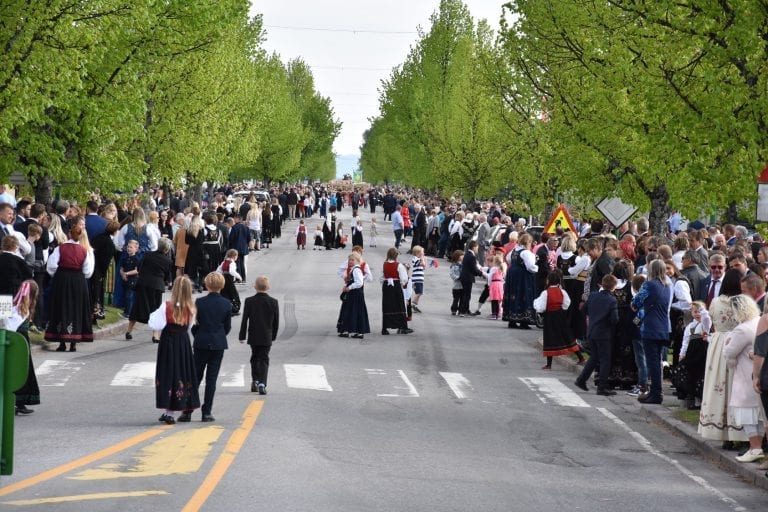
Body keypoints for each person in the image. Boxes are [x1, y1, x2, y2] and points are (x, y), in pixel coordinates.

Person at [149, 276, 200, 425]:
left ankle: (169, 411)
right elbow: (189, 327)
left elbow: (154, 324)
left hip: (168, 342)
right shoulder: (191, 308)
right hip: (183, 342)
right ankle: (181, 406)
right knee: (182, 372)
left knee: (167, 373)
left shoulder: (167, 306)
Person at [721, 295, 764, 462]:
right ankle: (757, 446)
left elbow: (729, 352)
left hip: (745, 375)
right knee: (758, 413)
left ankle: (755, 447)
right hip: (758, 372)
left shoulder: (742, 329)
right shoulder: (758, 321)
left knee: (746, 411)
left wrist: (727, 341)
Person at [187, 272, 232, 422]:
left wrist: (197, 335)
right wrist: (219, 335)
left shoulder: (200, 302)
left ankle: (187, 410)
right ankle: (207, 412)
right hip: (218, 343)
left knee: (195, 377)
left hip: (201, 341)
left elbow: (195, 324)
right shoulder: (227, 304)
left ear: (206, 284)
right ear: (222, 285)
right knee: (211, 379)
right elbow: (227, 327)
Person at [45, 224, 94, 352]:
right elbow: (88, 271)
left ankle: (62, 342)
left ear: (69, 234)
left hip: (62, 279)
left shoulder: (60, 248)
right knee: (76, 309)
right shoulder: (84, 251)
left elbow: (51, 266)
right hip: (78, 281)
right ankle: (73, 343)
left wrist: (59, 274)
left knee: (61, 307)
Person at [631, 259, 672, 404]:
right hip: (663, 326)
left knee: (652, 361)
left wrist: (635, 306)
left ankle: (656, 393)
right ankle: (656, 391)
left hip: (651, 327)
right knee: (658, 361)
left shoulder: (649, 284)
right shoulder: (667, 286)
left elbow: (637, 301)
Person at [575, 274, 619, 395]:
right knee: (605, 359)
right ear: (614, 287)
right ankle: (602, 386)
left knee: (594, 357)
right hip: (604, 333)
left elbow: (584, 310)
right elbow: (614, 319)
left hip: (592, 330)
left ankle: (581, 379)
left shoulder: (593, 295)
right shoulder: (612, 300)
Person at [126, 238, 172, 343]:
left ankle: (129, 331)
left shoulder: (147, 255)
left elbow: (139, 268)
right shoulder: (168, 261)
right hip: (156, 286)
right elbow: (166, 275)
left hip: (143, 283)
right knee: (155, 310)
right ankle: (155, 335)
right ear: (167, 249)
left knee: (136, 307)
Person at [534, 270, 584, 370]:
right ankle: (581, 357)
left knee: (549, 338)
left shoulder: (545, 292)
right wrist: (562, 309)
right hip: (561, 316)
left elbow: (541, 307)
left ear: (548, 281)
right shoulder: (562, 291)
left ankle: (549, 364)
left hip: (550, 317)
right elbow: (567, 303)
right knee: (567, 336)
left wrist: (537, 306)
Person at [239, 275, 280, 395]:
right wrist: (274, 335)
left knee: (254, 357)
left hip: (253, 334)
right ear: (268, 287)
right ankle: (262, 383)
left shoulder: (249, 301)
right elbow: (276, 321)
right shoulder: (273, 302)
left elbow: (245, 319)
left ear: (255, 286)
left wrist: (242, 335)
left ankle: (255, 380)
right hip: (267, 334)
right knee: (264, 358)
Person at [7, 280, 41, 415]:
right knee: (21, 372)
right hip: (20, 345)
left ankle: (17, 403)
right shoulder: (22, 311)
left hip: (15, 343)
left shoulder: (14, 307)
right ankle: (19, 402)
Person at [675, 301, 712, 409]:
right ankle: (692, 398)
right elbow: (685, 342)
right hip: (692, 353)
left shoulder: (705, 325)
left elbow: (706, 319)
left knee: (701, 375)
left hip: (702, 352)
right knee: (692, 375)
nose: (697, 314)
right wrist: (682, 354)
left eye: (699, 311)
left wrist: (702, 310)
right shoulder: (690, 326)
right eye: (695, 311)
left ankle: (699, 401)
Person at [504, 233, 538, 328]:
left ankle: (512, 319)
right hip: (522, 276)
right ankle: (524, 320)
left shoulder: (515, 250)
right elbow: (531, 267)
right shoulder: (526, 253)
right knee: (524, 295)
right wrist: (537, 268)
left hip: (513, 275)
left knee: (514, 294)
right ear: (528, 242)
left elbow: (508, 259)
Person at [336, 252, 371, 339]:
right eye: (349, 260)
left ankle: (356, 331)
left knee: (353, 311)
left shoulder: (356, 270)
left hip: (355, 294)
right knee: (353, 311)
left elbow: (359, 282)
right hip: (354, 294)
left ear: (358, 261)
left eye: (352, 260)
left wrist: (349, 287)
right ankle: (356, 331)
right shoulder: (354, 269)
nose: (350, 261)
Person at [381, 247, 412, 334]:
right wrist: (402, 284)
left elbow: (382, 277)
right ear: (396, 256)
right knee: (399, 305)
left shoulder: (384, 264)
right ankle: (403, 327)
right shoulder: (399, 265)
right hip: (396, 286)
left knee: (387, 306)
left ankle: (385, 328)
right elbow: (404, 278)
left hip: (387, 286)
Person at [458, 240, 484, 317]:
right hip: (467, 277)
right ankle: (463, 311)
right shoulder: (471, 256)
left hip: (464, 276)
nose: (477, 249)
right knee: (467, 295)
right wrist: (481, 273)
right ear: (473, 247)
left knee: (465, 294)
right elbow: (474, 269)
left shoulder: (467, 254)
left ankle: (466, 309)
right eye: (477, 248)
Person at [217, 249, 242, 315]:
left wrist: (218, 276)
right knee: (233, 294)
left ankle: (223, 308)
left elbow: (218, 270)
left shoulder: (224, 262)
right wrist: (239, 277)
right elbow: (232, 271)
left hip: (223, 279)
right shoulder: (232, 263)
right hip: (229, 280)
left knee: (224, 294)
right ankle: (234, 309)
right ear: (234, 256)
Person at [120, 240, 140, 318]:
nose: (129, 249)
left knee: (129, 295)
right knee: (125, 295)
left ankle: (128, 313)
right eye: (128, 247)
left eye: (131, 247)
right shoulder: (125, 258)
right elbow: (121, 268)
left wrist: (126, 273)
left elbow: (136, 270)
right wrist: (123, 274)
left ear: (136, 249)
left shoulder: (136, 259)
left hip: (132, 280)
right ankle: (125, 310)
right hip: (125, 279)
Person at [485, 253, 506, 320]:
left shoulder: (493, 268)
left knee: (494, 300)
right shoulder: (502, 268)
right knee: (498, 300)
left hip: (494, 284)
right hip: (500, 284)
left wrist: (489, 284)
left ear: (495, 261)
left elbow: (490, 277)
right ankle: (498, 314)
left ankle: (493, 314)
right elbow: (504, 277)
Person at [410, 245, 426, 313]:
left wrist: (424, 259)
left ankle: (415, 305)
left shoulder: (419, 259)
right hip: (416, 279)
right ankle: (412, 304)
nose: (423, 253)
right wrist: (422, 259)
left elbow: (424, 267)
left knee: (419, 292)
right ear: (417, 253)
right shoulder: (415, 259)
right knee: (419, 292)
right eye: (422, 252)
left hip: (420, 279)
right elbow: (422, 264)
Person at [449, 250, 464, 316]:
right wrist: (457, 277)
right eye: (461, 255)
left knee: (462, 299)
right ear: (457, 256)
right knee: (456, 299)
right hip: (456, 285)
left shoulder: (464, 264)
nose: (463, 256)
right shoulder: (454, 265)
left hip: (463, 285)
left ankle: (461, 310)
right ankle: (454, 309)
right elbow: (452, 274)